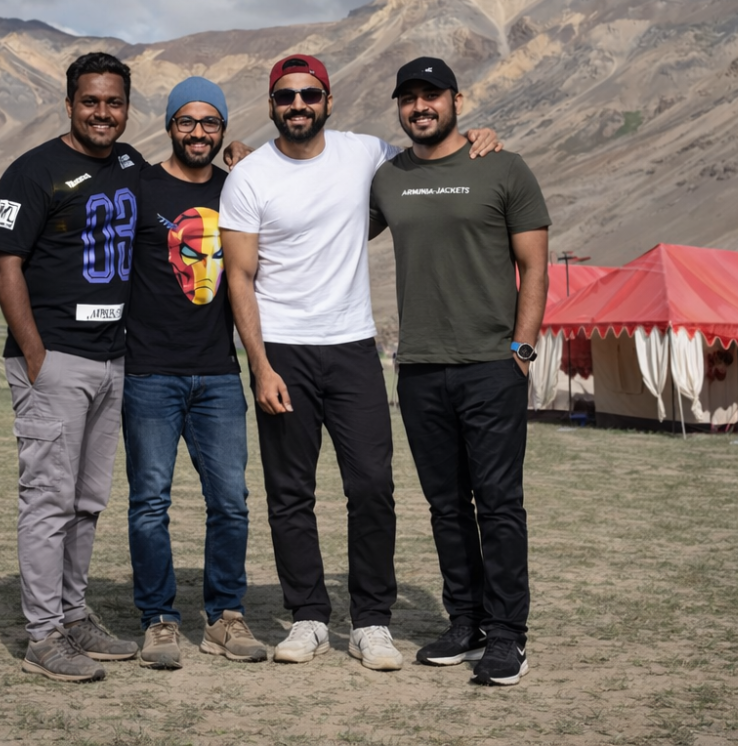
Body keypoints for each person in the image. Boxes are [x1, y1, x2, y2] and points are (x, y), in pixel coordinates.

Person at [219, 53, 498, 671]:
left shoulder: (366, 154)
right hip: (283, 348)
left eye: (309, 95)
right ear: (271, 105)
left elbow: (433, 152)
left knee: (372, 488)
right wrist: (260, 365)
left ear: (329, 101)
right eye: (286, 97)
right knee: (289, 494)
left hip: (353, 347)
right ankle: (308, 617)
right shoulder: (249, 177)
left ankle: (371, 621)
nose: (298, 106)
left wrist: (479, 136)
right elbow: (239, 277)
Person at [368, 56, 549, 687]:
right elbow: (318, 218)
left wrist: (522, 351)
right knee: (446, 505)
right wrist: (256, 158)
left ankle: (507, 636)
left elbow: (535, 266)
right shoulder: (388, 178)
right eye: (409, 98)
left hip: (490, 365)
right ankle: (465, 621)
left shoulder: (501, 165)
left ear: (457, 100)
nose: (421, 106)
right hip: (418, 367)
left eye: (432, 96)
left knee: (498, 504)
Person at [0, 51, 146, 682]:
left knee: (87, 500)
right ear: (70, 103)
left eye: (114, 102)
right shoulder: (32, 172)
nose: (102, 113)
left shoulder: (131, 163)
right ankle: (44, 635)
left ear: (126, 107)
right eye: (90, 101)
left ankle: (74, 615)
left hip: (113, 360)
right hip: (55, 360)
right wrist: (35, 355)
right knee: (48, 500)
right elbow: (4, 263)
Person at [124, 76, 268, 670]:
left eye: (211, 122)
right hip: (149, 373)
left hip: (218, 374)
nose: (199, 132)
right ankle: (159, 620)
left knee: (230, 501)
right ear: (169, 125)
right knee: (149, 502)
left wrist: (254, 165)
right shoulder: (139, 186)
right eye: (188, 120)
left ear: (224, 129)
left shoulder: (239, 189)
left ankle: (225, 617)